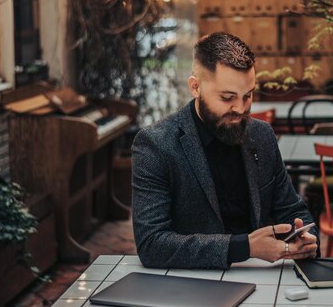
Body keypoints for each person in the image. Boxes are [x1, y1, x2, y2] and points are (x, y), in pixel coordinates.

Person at [132, 32, 319, 269]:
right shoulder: (156, 144)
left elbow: (292, 209)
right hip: (189, 283)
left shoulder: (261, 135)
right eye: (227, 97)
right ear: (195, 87)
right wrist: (244, 247)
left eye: (248, 95)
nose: (240, 109)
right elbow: (152, 245)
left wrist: (306, 239)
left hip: (260, 278)